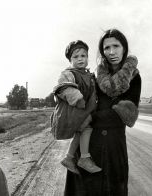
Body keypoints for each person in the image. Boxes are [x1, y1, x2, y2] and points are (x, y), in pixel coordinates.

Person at [64, 28, 141, 196]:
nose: (111, 52)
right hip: (88, 148)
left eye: (116, 46)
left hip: (114, 147)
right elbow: (78, 98)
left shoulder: (133, 76)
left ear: (124, 48)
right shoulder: (94, 76)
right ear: (102, 50)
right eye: (107, 48)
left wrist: (90, 117)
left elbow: (124, 114)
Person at [52, 40, 102, 174]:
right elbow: (63, 87)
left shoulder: (88, 75)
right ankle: (84, 158)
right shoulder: (68, 73)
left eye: (83, 56)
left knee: (82, 131)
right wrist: (77, 98)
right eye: (76, 56)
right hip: (75, 109)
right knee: (86, 129)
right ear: (70, 60)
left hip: (85, 110)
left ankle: (69, 158)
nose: (80, 59)